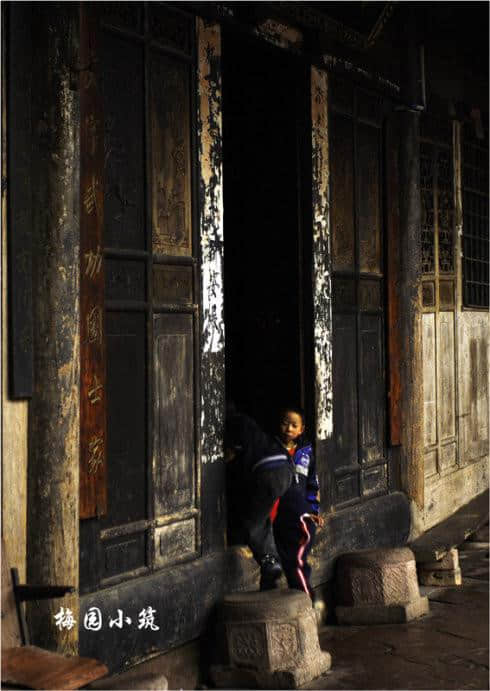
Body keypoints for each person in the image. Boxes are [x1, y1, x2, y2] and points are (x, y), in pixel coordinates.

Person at [225, 405, 294, 590]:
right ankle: (271, 570)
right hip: (286, 470)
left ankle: (271, 563)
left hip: (268, 472)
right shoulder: (252, 427)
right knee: (260, 517)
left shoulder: (233, 424)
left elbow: (231, 457)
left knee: (252, 521)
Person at [271, 407, 324, 601]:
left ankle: (307, 600)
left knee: (296, 560)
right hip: (277, 515)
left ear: (301, 430)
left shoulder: (305, 453)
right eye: (285, 423)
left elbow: (312, 484)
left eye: (294, 425)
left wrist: (313, 510)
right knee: (280, 559)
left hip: (300, 514)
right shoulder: (271, 449)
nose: (288, 428)